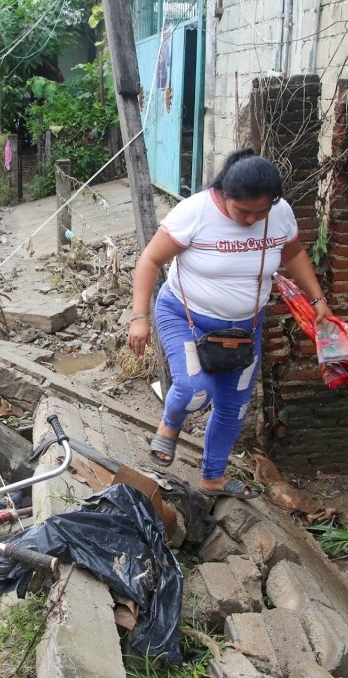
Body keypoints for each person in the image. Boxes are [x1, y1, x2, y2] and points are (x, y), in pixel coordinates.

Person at [128, 148, 333, 500]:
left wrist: (318, 299)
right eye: (243, 211)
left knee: (234, 405)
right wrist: (139, 317)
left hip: (243, 331)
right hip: (185, 317)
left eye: (261, 212)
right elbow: (150, 259)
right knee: (195, 390)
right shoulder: (195, 213)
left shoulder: (280, 215)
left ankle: (213, 477)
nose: (252, 219)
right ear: (224, 193)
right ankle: (171, 423)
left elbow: (294, 253)